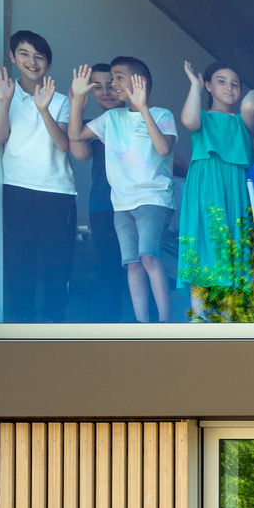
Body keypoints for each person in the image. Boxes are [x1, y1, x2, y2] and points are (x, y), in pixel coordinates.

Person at [68, 57, 177, 324]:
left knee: (149, 257)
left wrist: (142, 107)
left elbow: (164, 149)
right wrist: (77, 100)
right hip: (119, 205)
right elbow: (76, 135)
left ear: (140, 82)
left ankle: (164, 322)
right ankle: (141, 324)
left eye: (118, 78)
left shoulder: (162, 114)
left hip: (152, 199)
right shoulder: (110, 118)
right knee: (131, 263)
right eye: (109, 80)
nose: (112, 85)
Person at [0, 30, 75, 322]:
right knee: (18, 259)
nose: (32, 61)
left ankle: (54, 319)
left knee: (57, 261)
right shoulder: (2, 92)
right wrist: (3, 102)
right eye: (24, 53)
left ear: (49, 65)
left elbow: (64, 145)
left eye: (39, 57)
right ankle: (21, 320)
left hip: (57, 191)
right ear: (12, 57)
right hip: (15, 187)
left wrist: (44, 110)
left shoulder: (61, 100)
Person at [177, 60, 254, 313]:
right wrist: (195, 85)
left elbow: (251, 102)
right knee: (201, 239)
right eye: (221, 81)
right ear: (208, 86)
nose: (229, 87)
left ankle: (227, 316)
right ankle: (199, 313)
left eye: (235, 84)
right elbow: (189, 121)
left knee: (231, 244)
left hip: (233, 187)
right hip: (204, 185)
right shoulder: (201, 118)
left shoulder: (242, 121)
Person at [72, 63, 125, 323]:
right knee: (107, 267)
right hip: (103, 206)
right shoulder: (89, 126)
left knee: (136, 266)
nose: (106, 92)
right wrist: (76, 103)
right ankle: (105, 328)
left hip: (136, 206)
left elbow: (172, 158)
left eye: (111, 85)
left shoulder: (140, 117)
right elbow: (80, 154)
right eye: (98, 87)